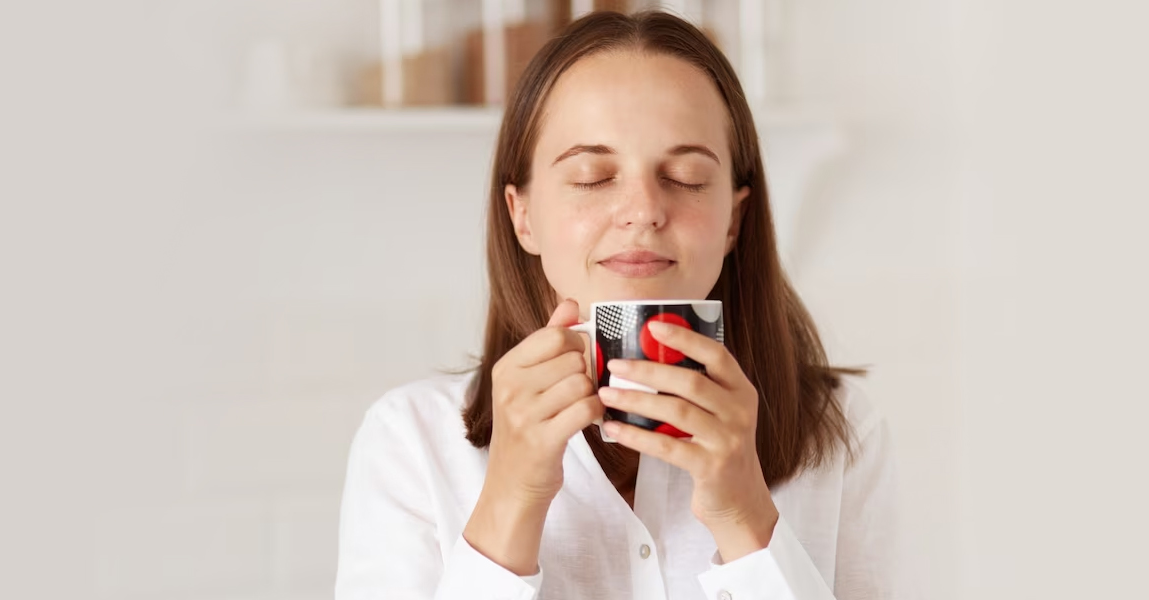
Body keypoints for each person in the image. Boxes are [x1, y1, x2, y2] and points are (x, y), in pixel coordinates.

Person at [337, 10, 903, 599]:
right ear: (522, 216)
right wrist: (510, 501)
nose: (643, 211)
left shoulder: (843, 432)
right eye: (591, 176)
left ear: (734, 221)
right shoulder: (410, 441)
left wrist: (745, 517)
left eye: (685, 176)